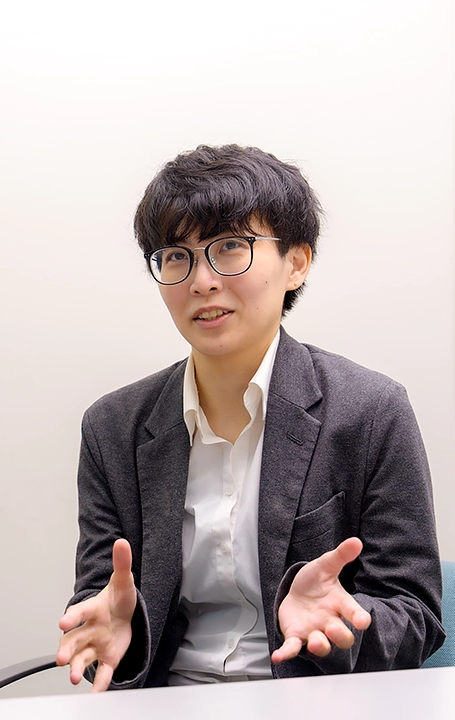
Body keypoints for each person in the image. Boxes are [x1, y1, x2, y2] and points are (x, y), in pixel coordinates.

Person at [56, 144, 445, 692]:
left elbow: (415, 615)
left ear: (296, 262)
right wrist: (113, 634)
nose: (202, 281)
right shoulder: (112, 429)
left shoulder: (370, 411)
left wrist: (336, 630)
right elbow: (101, 607)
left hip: (312, 701)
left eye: (230, 247)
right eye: (176, 256)